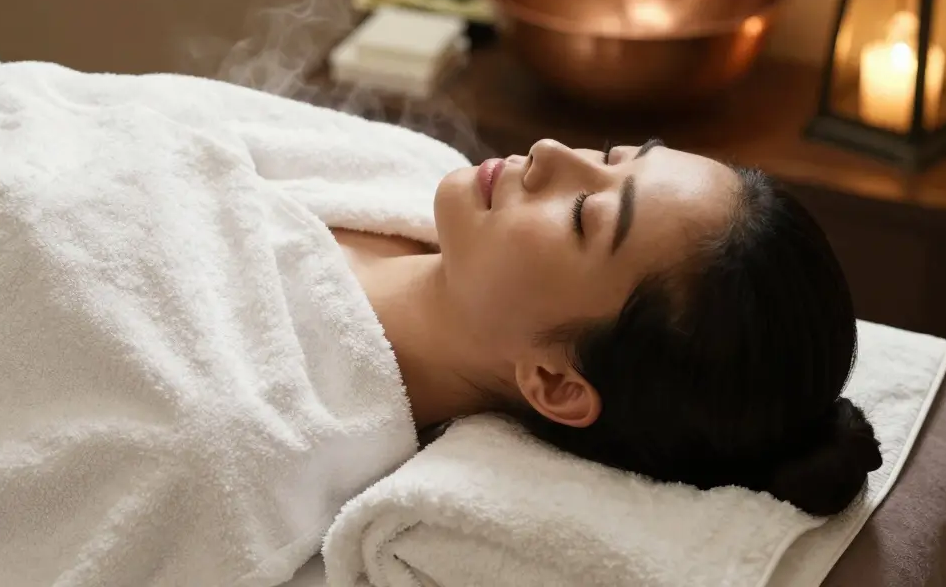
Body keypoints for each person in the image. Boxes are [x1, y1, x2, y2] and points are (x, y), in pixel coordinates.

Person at [333, 137, 882, 518]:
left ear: (557, 384)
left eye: (581, 214)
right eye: (610, 156)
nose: (549, 151)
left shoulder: (300, 408)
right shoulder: (411, 164)